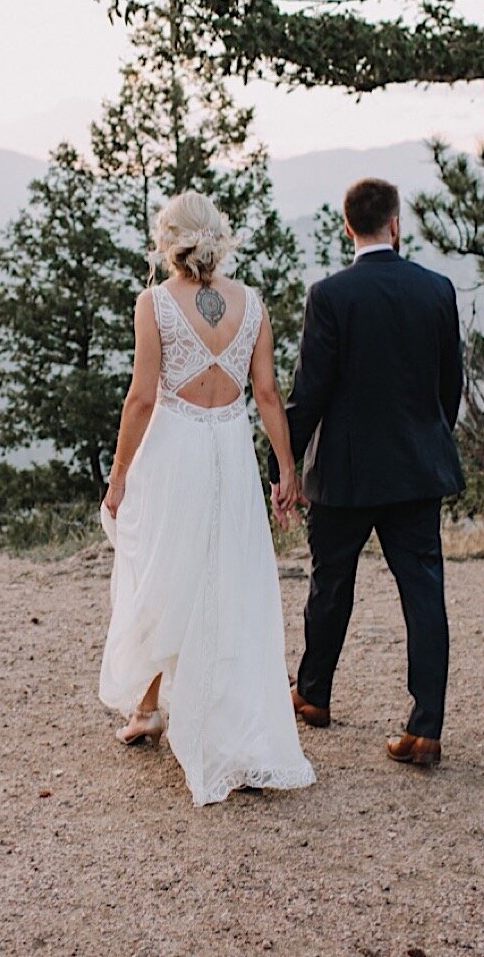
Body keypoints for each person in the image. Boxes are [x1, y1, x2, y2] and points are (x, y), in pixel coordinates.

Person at [97, 191, 316, 806]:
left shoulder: (156, 304)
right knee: (230, 581)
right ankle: (215, 719)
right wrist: (286, 470)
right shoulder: (251, 304)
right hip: (229, 452)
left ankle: (148, 709)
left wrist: (118, 477)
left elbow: (141, 399)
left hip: (175, 453)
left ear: (170, 241)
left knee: (163, 571)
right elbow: (268, 395)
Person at [275, 177, 464, 767]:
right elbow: (448, 386)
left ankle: (313, 695)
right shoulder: (437, 290)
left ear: (347, 227)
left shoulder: (330, 295)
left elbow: (310, 392)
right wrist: (430, 441)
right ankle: (426, 725)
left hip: (346, 475)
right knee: (423, 593)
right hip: (415, 469)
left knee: (331, 584)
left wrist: (283, 467)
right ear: (396, 224)